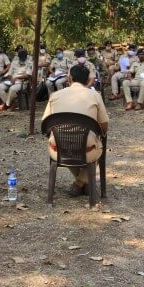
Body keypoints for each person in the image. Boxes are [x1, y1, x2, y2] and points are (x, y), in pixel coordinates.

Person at [42, 64, 109, 197]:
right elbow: (104, 126)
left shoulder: (55, 95)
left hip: (58, 150)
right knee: (97, 145)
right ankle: (83, 183)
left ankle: (79, 183)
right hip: (88, 151)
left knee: (67, 141)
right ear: (88, 80)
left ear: (69, 78)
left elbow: (45, 125)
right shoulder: (95, 95)